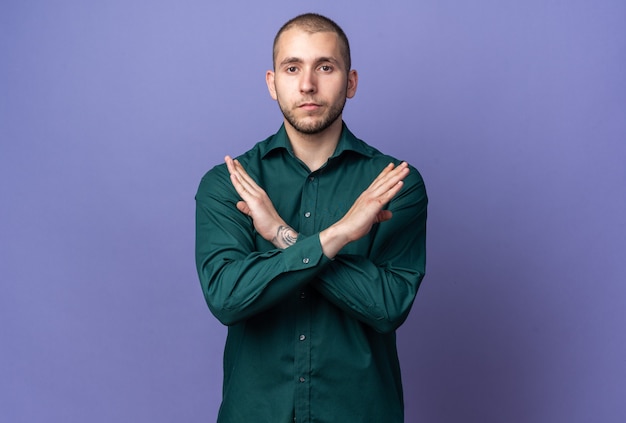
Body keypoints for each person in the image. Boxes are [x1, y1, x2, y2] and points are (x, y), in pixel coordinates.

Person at [195, 13, 427, 422]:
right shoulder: (231, 184)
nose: (307, 84)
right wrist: (340, 235)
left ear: (350, 82)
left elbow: (388, 306)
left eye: (325, 66)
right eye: (292, 68)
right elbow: (228, 299)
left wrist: (281, 235)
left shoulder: (395, 183)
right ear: (272, 82)